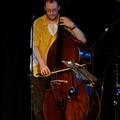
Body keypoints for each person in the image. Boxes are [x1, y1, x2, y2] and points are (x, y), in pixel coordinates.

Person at [30, 0, 87, 120]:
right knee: (40, 109)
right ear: (45, 8)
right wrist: (42, 63)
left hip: (60, 73)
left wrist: (73, 26)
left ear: (59, 8)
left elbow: (83, 40)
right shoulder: (38, 23)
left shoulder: (64, 21)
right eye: (49, 10)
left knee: (58, 108)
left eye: (54, 10)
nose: (51, 13)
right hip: (41, 69)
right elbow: (35, 46)